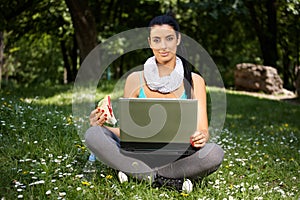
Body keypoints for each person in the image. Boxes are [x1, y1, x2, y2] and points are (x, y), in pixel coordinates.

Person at [85, 14, 224, 193]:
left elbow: (203, 130)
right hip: (140, 154)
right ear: (150, 42)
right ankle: (166, 179)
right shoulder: (134, 79)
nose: (163, 46)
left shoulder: (195, 81)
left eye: (169, 39)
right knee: (93, 135)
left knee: (214, 153)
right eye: (157, 40)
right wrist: (100, 126)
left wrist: (202, 136)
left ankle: (140, 174)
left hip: (178, 156)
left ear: (178, 40)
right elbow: (129, 133)